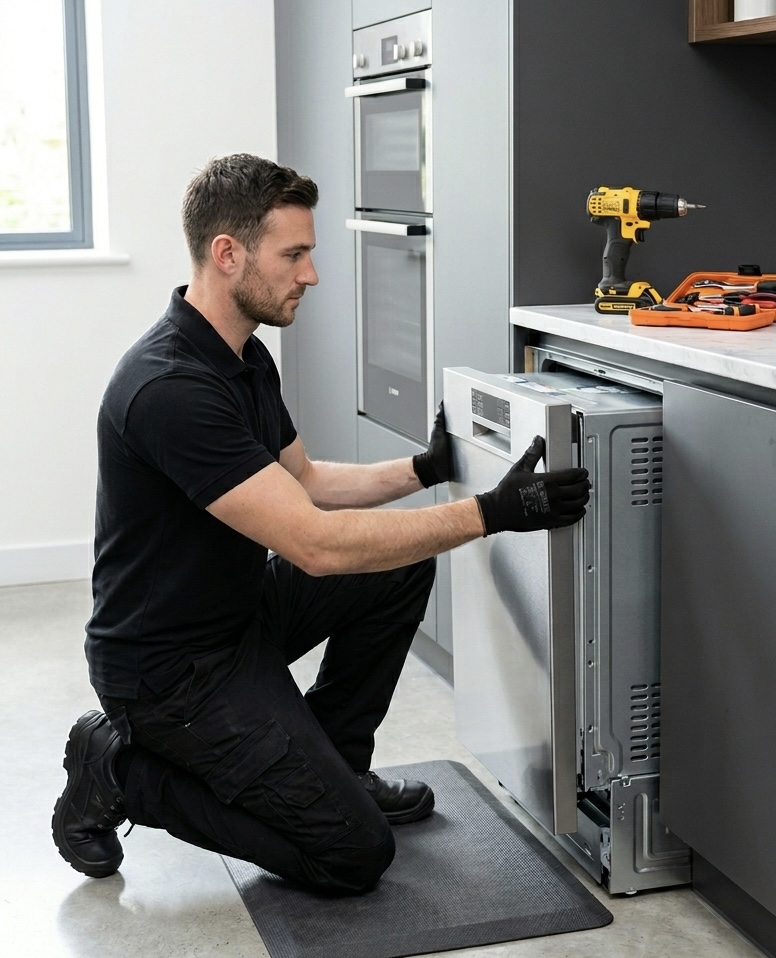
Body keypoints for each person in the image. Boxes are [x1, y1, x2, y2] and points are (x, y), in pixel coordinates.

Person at [51, 153, 590, 895]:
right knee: (351, 856)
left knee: (401, 564)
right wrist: (490, 514)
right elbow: (314, 542)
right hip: (170, 674)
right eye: (295, 254)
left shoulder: (241, 356)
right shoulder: (171, 387)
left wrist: (425, 470)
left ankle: (339, 766)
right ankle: (118, 769)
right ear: (228, 253)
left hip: (235, 619)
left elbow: (303, 482)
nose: (311, 275)